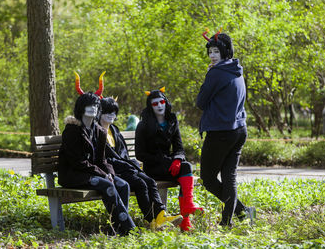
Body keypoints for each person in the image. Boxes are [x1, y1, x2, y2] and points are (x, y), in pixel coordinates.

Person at [58, 72, 135, 236]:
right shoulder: (72, 131)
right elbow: (77, 162)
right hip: (73, 175)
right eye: (89, 105)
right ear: (81, 107)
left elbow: (102, 159)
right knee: (106, 185)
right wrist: (102, 174)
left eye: (95, 105)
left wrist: (109, 172)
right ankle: (129, 229)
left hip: (93, 173)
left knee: (123, 184)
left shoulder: (99, 131)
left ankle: (117, 228)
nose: (93, 108)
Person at [197, 29, 256, 227]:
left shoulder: (216, 73)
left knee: (207, 178)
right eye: (210, 52)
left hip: (221, 132)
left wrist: (208, 76)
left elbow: (201, 101)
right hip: (239, 130)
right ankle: (232, 219)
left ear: (224, 51)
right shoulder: (236, 69)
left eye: (215, 51)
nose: (212, 56)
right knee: (229, 176)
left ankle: (239, 213)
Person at [98, 97, 183, 230]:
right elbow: (103, 158)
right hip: (114, 171)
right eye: (107, 112)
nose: (111, 115)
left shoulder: (114, 130)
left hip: (126, 167)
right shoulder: (97, 132)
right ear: (99, 113)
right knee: (140, 184)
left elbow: (123, 153)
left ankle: (161, 216)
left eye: (114, 112)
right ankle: (151, 221)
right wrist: (125, 165)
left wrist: (129, 164)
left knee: (150, 181)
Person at [135, 87, 203, 231]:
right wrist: (164, 160)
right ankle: (185, 218)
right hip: (153, 168)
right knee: (186, 170)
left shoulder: (172, 121)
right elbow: (140, 154)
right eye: (155, 103)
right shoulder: (143, 125)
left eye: (161, 102)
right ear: (150, 106)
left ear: (166, 103)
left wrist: (177, 159)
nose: (159, 105)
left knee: (186, 167)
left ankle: (186, 215)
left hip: (170, 165)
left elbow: (179, 147)